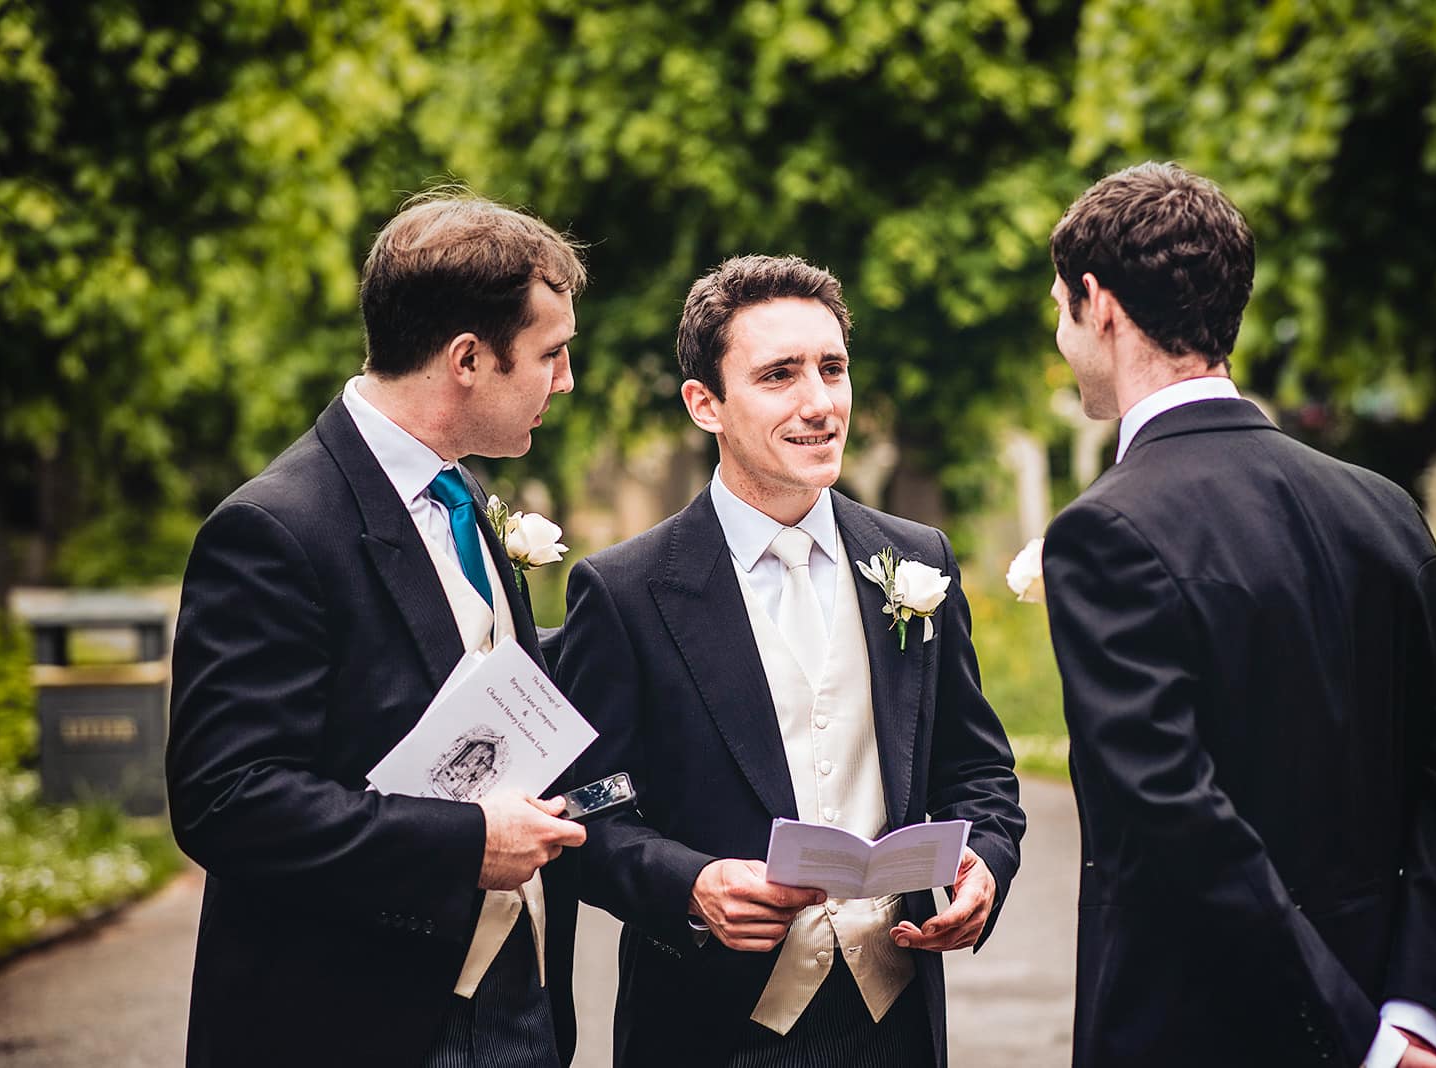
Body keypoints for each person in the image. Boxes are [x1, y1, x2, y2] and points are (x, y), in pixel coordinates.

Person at [1039, 162, 1436, 1068]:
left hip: (1200, 1033)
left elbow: (1173, 824)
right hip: (1392, 1010)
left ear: (1099, 305)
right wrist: (1420, 1022)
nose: (1062, 335)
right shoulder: (1380, 508)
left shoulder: (1104, 532)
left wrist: (1349, 1041)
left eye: (1060, 304)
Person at [556, 254, 1025, 1067]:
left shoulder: (917, 558)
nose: (819, 403)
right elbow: (588, 815)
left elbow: (978, 769)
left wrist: (986, 859)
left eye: (832, 368)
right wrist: (692, 887)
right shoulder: (624, 590)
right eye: (779, 375)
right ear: (706, 403)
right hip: (712, 1030)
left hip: (899, 1019)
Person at [166, 192, 590, 1067]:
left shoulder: (465, 493)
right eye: (551, 355)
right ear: (467, 358)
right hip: (359, 1019)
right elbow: (227, 801)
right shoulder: (273, 529)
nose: (566, 381)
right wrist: (469, 844)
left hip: (521, 1000)